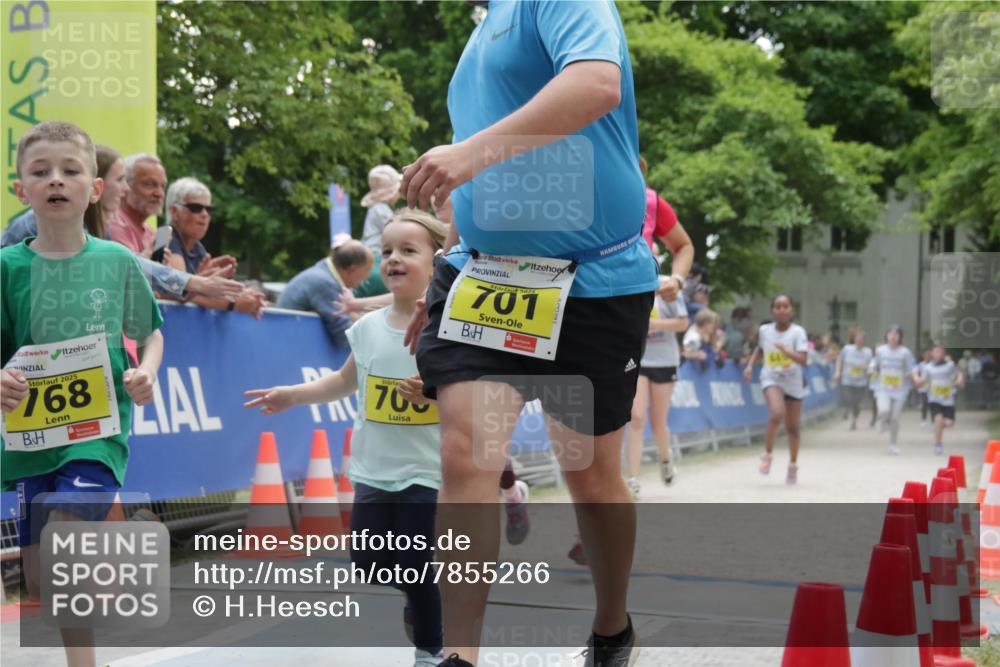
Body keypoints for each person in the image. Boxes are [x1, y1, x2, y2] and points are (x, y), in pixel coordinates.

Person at [399, 1, 655, 664]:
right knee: (466, 452)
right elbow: (487, 174)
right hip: (488, 279)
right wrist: (450, 262)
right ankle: (458, 654)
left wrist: (467, 154)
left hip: (593, 280)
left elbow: (597, 83)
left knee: (590, 474)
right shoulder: (482, 29)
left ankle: (610, 626)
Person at [245, 209, 448, 667]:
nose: (393, 259)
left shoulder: (444, 331)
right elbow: (341, 382)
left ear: (438, 264)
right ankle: (422, 600)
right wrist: (293, 395)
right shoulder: (367, 328)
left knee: (415, 564)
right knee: (368, 560)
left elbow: (465, 402)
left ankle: (430, 651)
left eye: (408, 251)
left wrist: (430, 399)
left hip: (427, 471)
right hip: (374, 469)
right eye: (387, 251)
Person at [2, 121, 164, 667]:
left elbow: (151, 331)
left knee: (68, 531)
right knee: (41, 574)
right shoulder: (6, 269)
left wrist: (146, 372)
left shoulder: (115, 261)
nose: (56, 180)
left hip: (99, 430)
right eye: (41, 171)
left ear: (94, 188)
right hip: (29, 435)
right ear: (21, 189)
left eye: (71, 171)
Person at [0, 148, 241, 303]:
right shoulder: (47, 222)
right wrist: (195, 283)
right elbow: (117, 264)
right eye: (120, 180)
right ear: (95, 185)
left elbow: (121, 267)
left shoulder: (96, 230)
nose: (125, 189)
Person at [162, 177, 267, 318]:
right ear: (175, 211)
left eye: (209, 209)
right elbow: (175, 291)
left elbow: (199, 292)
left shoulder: (197, 247)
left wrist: (246, 297)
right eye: (196, 208)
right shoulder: (162, 235)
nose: (204, 214)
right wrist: (234, 304)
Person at [625, 272, 689, 498]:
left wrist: (653, 324)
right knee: (636, 416)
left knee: (658, 423)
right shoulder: (629, 281)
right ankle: (632, 479)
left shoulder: (667, 285)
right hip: (639, 359)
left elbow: (683, 322)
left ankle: (666, 459)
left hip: (665, 360)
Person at [743, 295, 809, 484]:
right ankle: (767, 454)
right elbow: (760, 349)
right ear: (772, 310)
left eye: (785, 306)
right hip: (771, 377)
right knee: (777, 412)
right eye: (777, 306)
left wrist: (786, 351)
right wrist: (749, 366)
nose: (781, 310)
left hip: (793, 381)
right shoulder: (765, 330)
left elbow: (804, 360)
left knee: (793, 428)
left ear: (792, 310)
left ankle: (793, 465)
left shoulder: (798, 333)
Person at [276, 239, 374, 347]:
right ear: (352, 269)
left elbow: (349, 318)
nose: (368, 276)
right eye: (368, 270)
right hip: (288, 344)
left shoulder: (324, 274)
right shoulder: (324, 283)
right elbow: (345, 335)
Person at [869, 325, 917, 455]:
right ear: (886, 336)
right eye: (890, 333)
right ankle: (881, 421)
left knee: (895, 418)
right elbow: (874, 364)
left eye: (896, 334)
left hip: (900, 389)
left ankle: (893, 444)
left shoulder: (905, 352)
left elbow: (911, 369)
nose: (893, 336)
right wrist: (872, 369)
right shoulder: (881, 351)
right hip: (883, 388)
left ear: (900, 337)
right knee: (884, 410)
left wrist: (915, 378)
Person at [912, 343, 963, 456]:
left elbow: (958, 374)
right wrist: (916, 378)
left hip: (948, 399)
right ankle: (938, 444)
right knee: (938, 420)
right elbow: (922, 381)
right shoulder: (928, 367)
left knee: (949, 423)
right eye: (936, 351)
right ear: (932, 354)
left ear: (944, 353)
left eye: (941, 351)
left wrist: (959, 380)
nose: (939, 354)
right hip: (934, 399)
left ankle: (937, 427)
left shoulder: (950, 365)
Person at [109, 153, 164, 255]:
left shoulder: (150, 233)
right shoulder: (114, 224)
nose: (159, 194)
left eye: (163, 186)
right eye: (149, 184)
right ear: (125, 185)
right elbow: (128, 269)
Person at [834, 327, 873, 431]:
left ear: (864, 340)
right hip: (848, 380)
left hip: (861, 382)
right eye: (857, 338)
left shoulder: (868, 352)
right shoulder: (847, 349)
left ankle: (854, 419)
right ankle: (848, 410)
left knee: (856, 403)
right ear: (854, 339)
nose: (859, 340)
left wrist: (867, 368)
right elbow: (839, 359)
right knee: (848, 398)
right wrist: (838, 371)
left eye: (861, 339)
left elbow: (872, 365)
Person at [361, 164, 402, 252]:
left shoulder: (377, 207)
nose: (399, 195)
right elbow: (394, 230)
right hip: (376, 252)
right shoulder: (380, 208)